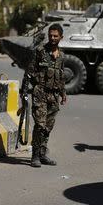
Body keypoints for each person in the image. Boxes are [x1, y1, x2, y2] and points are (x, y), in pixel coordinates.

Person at [21, 23, 67, 168]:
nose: (52, 38)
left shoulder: (62, 55)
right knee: (40, 125)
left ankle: (42, 154)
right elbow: (28, 72)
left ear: (61, 37)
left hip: (54, 96)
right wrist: (24, 92)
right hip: (40, 92)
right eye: (50, 35)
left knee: (48, 126)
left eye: (55, 36)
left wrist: (63, 93)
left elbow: (61, 76)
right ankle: (34, 156)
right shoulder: (40, 51)